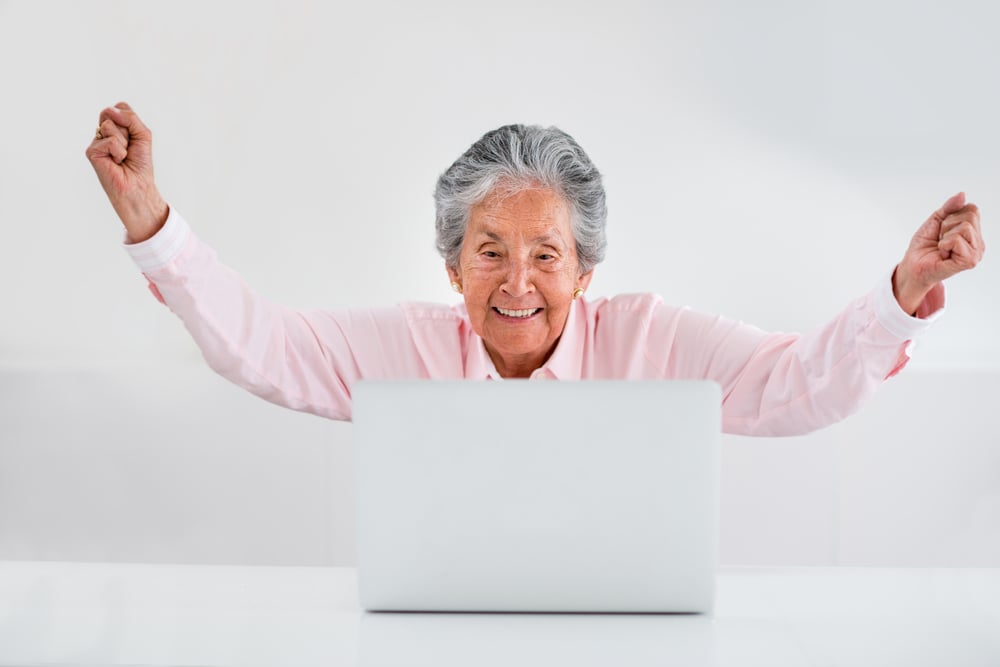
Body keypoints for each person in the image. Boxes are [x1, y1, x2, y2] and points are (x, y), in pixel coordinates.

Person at [86, 102, 985, 436]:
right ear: (452, 268)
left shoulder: (649, 338)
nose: (518, 283)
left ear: (585, 271)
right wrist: (154, 227)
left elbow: (795, 385)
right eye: (489, 253)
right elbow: (263, 345)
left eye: (546, 255)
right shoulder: (404, 347)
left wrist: (903, 293)